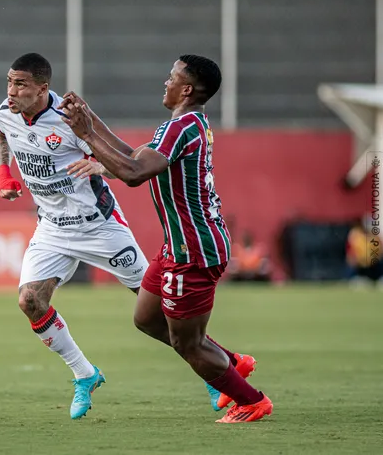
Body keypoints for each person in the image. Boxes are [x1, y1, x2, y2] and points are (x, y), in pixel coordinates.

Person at [60, 54, 273, 423]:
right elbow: (130, 156)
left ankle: (251, 400)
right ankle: (232, 362)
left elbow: (133, 173)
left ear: (186, 89)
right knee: (145, 317)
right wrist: (90, 119)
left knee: (186, 342)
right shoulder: (186, 124)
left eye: (171, 77)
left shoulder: (181, 127)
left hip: (193, 251)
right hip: (178, 247)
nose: (165, 81)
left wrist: (86, 135)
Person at [0, 53, 149, 419]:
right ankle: (85, 375)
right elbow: (1, 131)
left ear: (43, 89)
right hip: (51, 228)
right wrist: (4, 171)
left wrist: (98, 164)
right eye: (9, 82)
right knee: (30, 301)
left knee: (160, 307)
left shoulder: (71, 119)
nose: (11, 91)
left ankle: (216, 373)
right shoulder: (5, 110)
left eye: (20, 85)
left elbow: (126, 162)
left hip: (99, 225)